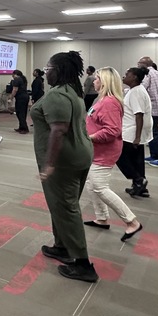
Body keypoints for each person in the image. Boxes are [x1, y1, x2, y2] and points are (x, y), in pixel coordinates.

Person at [32, 51, 99, 283]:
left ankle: (82, 264)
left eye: (48, 67)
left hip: (64, 161)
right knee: (61, 206)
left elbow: (58, 130)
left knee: (66, 208)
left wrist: (49, 164)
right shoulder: (73, 91)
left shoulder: (57, 95)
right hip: (80, 155)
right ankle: (62, 246)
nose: (45, 71)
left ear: (58, 70)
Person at [84, 67, 143, 240]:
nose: (94, 81)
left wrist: (89, 137)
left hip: (104, 152)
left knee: (100, 188)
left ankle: (132, 222)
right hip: (97, 151)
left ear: (105, 82)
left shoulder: (109, 102)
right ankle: (102, 218)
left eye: (96, 79)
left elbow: (112, 131)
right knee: (91, 184)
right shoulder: (102, 100)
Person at [117, 66, 151, 198]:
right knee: (137, 159)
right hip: (135, 130)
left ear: (135, 77)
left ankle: (138, 180)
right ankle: (140, 187)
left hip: (132, 131)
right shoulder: (136, 90)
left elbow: (139, 115)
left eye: (127, 74)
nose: (124, 76)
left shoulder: (136, 92)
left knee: (120, 156)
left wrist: (137, 137)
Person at [9, 69, 30, 133]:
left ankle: (24, 128)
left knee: (20, 113)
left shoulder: (16, 79)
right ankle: (21, 127)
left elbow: (15, 90)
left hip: (21, 98)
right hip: (25, 97)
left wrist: (11, 98)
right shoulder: (23, 79)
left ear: (14, 74)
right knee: (22, 112)